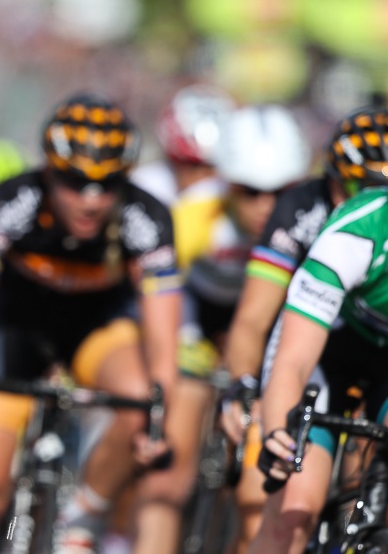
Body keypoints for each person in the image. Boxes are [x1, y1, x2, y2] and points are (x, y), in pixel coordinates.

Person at [0, 93, 180, 554]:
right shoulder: (13, 201)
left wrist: (158, 416)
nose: (91, 199)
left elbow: (163, 337)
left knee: (139, 398)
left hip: (94, 330)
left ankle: (83, 518)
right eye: (74, 181)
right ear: (48, 169)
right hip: (16, 330)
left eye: (107, 184)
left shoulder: (146, 217)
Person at [132, 103, 311, 553]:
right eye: (250, 192)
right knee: (168, 476)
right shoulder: (197, 215)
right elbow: (153, 295)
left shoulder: (312, 219)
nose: (267, 206)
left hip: (266, 329)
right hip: (196, 319)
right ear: (226, 181)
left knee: (256, 488)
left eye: (281, 191)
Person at [221, 105, 388, 553]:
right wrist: (274, 428)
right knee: (291, 510)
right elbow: (283, 347)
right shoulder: (352, 231)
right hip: (330, 351)